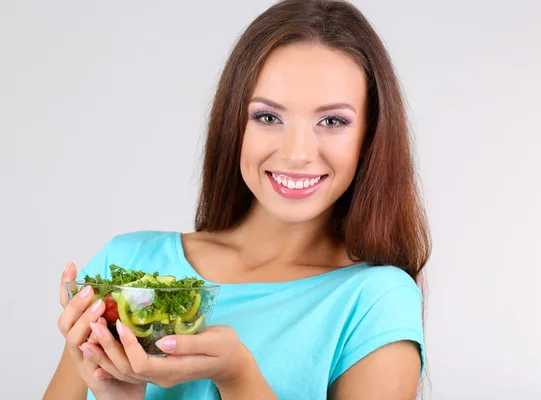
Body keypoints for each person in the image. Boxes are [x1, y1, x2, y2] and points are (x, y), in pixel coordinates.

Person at [44, 0, 431, 399]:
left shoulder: (375, 302)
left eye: (332, 121)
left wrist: (239, 377)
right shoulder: (124, 268)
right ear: (235, 124)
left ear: (368, 137)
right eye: (268, 117)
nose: (297, 152)